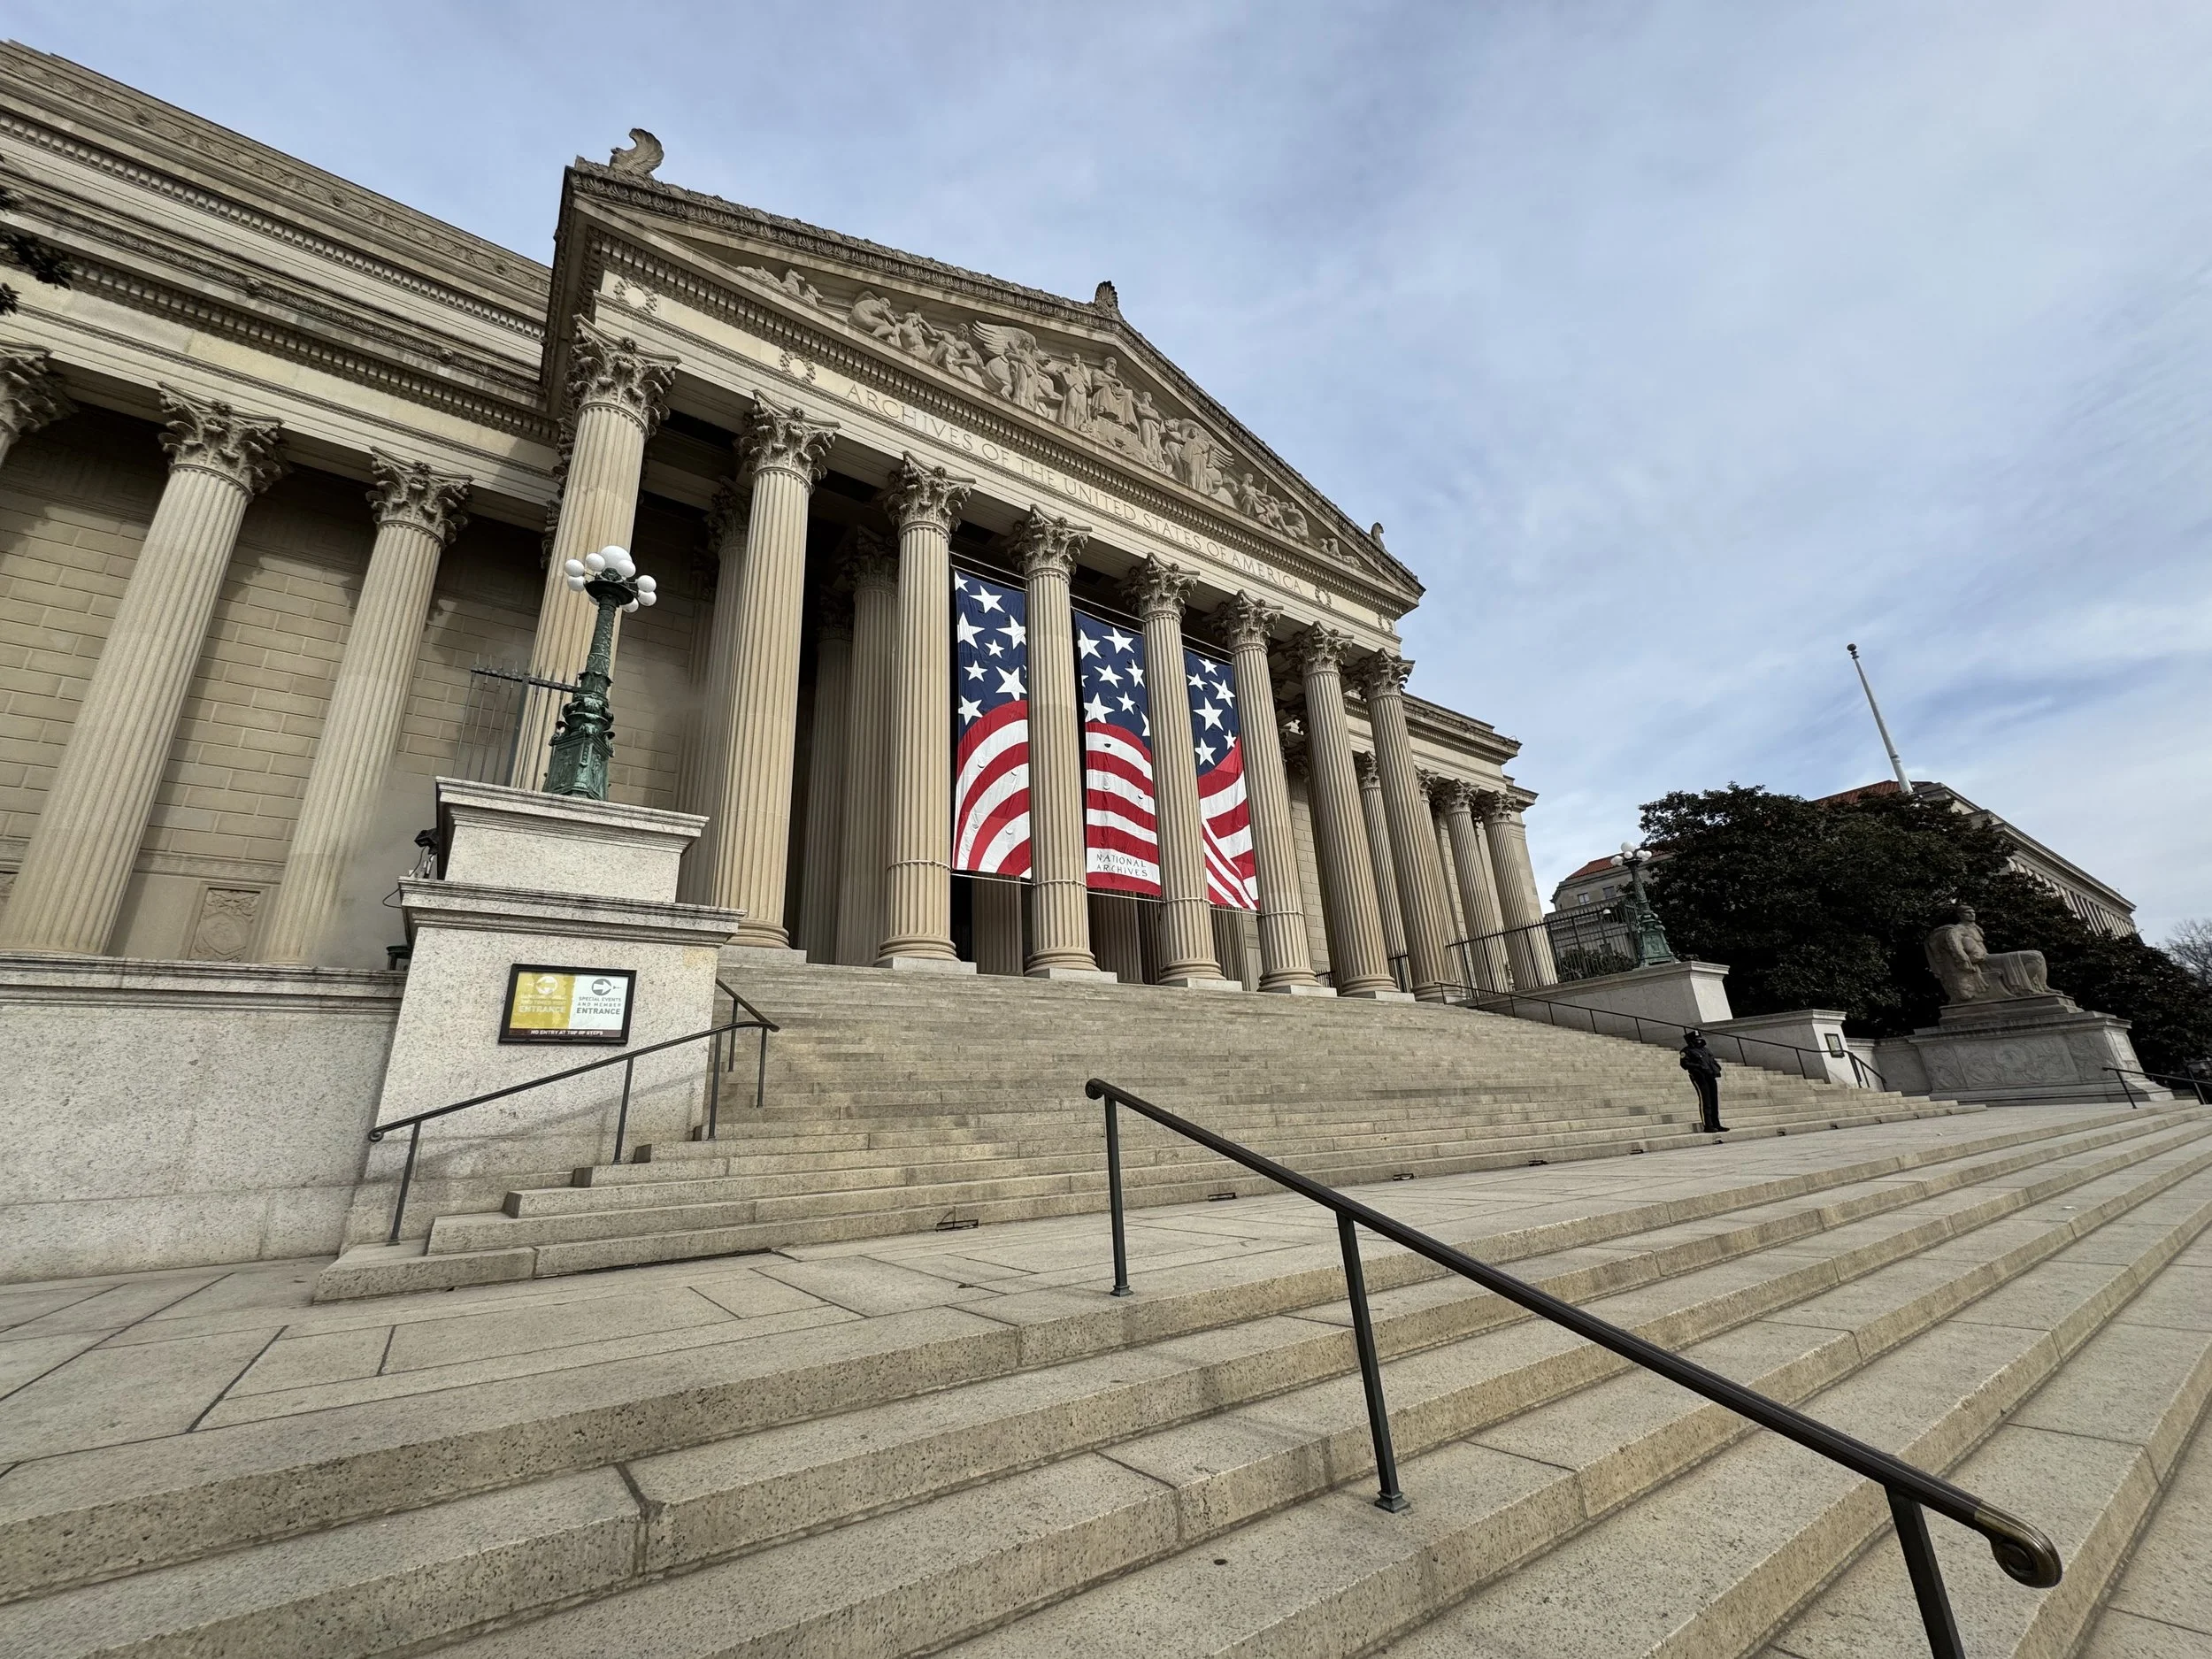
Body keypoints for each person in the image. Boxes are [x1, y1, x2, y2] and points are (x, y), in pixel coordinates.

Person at [1680, 1031, 1729, 1133]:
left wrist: (1716, 1069)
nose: (1698, 1041)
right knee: (1705, 1101)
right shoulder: (1686, 1051)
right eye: (1696, 1039)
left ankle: (1716, 1124)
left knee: (1714, 1101)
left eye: (1699, 1039)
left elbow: (1712, 1061)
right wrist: (1699, 1067)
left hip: (1710, 1076)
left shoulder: (1705, 1050)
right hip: (1699, 1077)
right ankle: (1708, 1125)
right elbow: (1685, 1064)